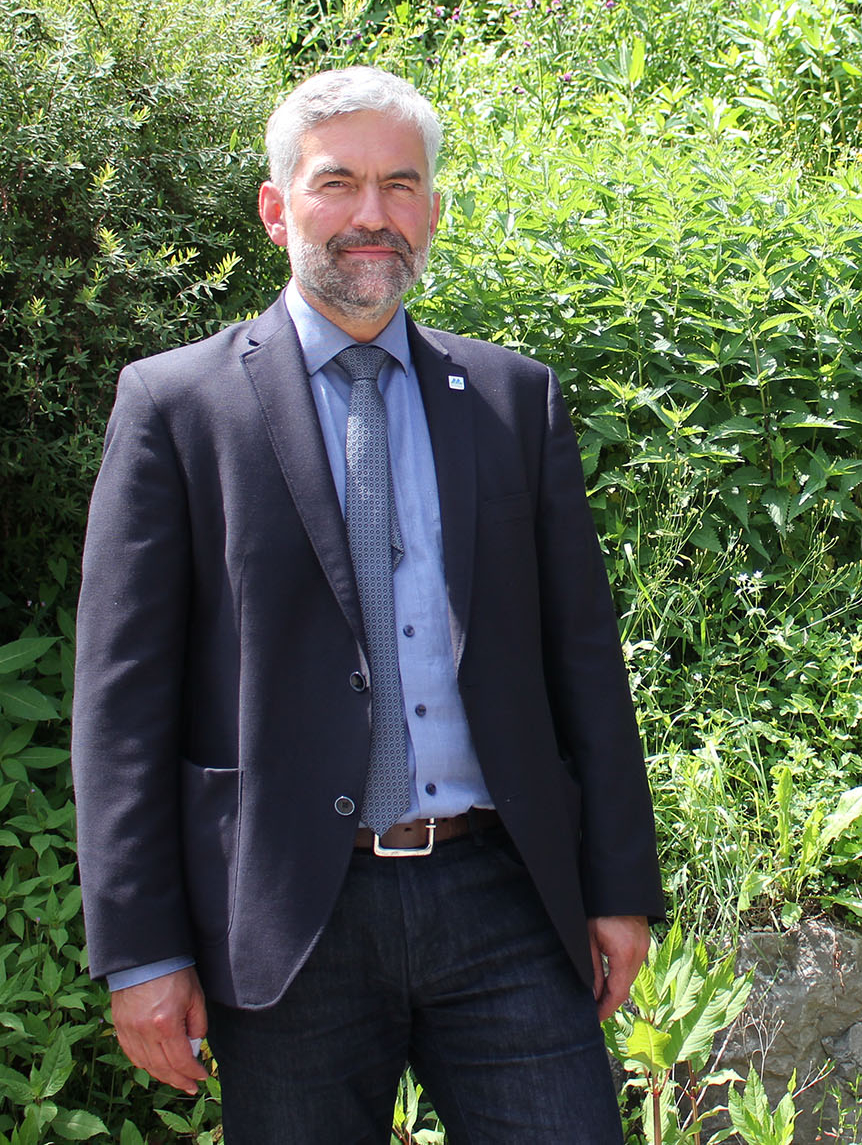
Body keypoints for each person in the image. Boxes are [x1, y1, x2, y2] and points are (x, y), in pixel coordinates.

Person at [72, 66, 664, 1140]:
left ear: (432, 210)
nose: (371, 216)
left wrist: (619, 883)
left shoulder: (511, 397)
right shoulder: (176, 407)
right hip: (289, 912)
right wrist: (144, 950)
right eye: (337, 182)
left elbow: (582, 655)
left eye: (401, 185)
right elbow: (122, 706)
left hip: (504, 898)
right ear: (276, 207)